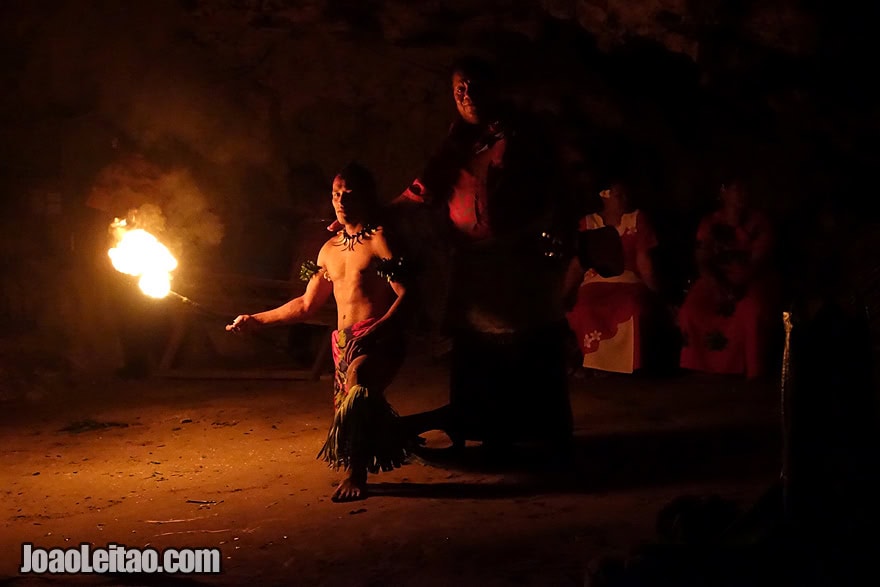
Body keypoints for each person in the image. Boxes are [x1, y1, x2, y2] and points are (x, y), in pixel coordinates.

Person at [390, 56, 581, 458]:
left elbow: (558, 186)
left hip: (519, 261)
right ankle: (480, 429)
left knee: (527, 343)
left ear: (493, 89)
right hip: (474, 265)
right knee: (478, 350)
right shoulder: (457, 142)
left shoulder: (526, 135)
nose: (468, 95)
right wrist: (368, 216)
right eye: (459, 89)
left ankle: (537, 433)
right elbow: (422, 189)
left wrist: (556, 237)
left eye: (475, 86)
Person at [227, 162, 414, 502]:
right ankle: (399, 439)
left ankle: (355, 473)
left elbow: (408, 294)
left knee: (359, 389)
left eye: (349, 194)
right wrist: (255, 319)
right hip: (344, 342)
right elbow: (305, 305)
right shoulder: (328, 250)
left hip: (380, 336)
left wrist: (380, 329)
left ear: (367, 197)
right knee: (351, 408)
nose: (341, 201)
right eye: (336, 194)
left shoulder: (380, 241)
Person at [678, 179, 776, 379]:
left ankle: (751, 369)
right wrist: (718, 285)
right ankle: (700, 366)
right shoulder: (710, 223)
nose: (740, 194)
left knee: (752, 310)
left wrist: (736, 286)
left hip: (750, 279)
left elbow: (758, 260)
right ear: (723, 193)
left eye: (743, 189)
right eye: (734, 189)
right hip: (716, 279)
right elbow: (702, 260)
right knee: (691, 309)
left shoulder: (759, 222)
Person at [565, 180, 659, 374]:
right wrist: (564, 293)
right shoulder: (589, 224)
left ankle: (628, 366)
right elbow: (578, 263)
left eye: (626, 194)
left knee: (631, 307)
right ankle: (595, 364)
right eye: (619, 195)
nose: (624, 199)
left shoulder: (636, 219)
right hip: (594, 283)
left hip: (629, 282)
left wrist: (656, 290)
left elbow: (643, 259)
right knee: (585, 308)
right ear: (604, 195)